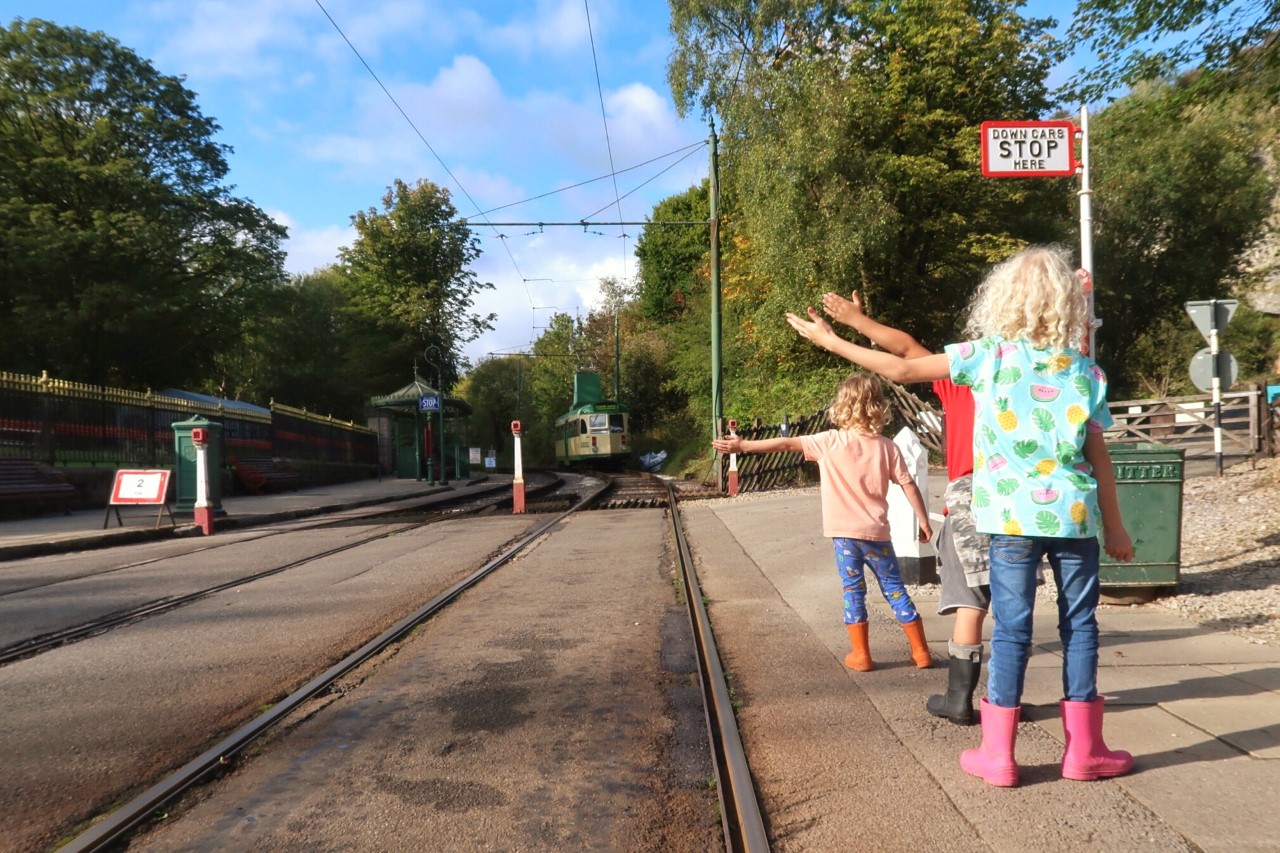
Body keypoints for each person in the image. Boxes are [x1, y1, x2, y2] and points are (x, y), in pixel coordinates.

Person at [786, 245, 1135, 787]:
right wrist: (1115, 526)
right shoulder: (1088, 373)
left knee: (1013, 629)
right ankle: (1085, 752)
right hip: (1072, 518)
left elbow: (901, 364)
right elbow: (1101, 459)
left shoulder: (988, 357)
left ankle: (998, 755)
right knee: (1081, 626)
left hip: (1008, 521)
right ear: (1068, 305)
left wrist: (832, 339)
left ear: (1002, 299)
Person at [821, 289, 989, 725]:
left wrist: (852, 326)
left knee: (969, 603)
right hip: (1026, 501)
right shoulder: (1033, 378)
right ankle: (1002, 697)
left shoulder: (962, 378)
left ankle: (958, 698)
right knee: (1013, 607)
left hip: (972, 498)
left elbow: (905, 355)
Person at [712, 372, 935, 672]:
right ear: (879, 407)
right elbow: (908, 484)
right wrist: (923, 521)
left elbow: (786, 444)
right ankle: (921, 652)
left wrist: (743, 447)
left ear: (842, 406)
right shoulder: (887, 447)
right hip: (878, 535)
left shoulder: (829, 441)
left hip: (845, 537)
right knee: (895, 589)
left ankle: (862, 655)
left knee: (853, 591)